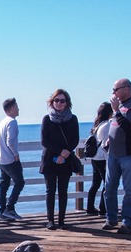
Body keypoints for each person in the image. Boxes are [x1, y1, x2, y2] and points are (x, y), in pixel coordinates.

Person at [102, 78, 131, 235]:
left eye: (116, 89)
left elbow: (127, 127)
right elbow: (116, 126)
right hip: (113, 153)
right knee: (109, 188)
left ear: (126, 89)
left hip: (129, 154)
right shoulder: (120, 105)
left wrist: (115, 111)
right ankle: (111, 218)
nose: (113, 93)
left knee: (129, 190)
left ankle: (127, 222)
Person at [40, 88, 79, 230]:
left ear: (67, 103)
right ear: (52, 102)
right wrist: (59, 152)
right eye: (56, 100)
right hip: (50, 158)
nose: (59, 103)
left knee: (63, 191)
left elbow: (75, 139)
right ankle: (50, 220)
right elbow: (45, 141)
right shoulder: (47, 119)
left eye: (62, 100)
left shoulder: (73, 118)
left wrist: (66, 153)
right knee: (50, 191)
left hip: (66, 159)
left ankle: (62, 220)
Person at [0, 97, 25, 220]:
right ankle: (10, 208)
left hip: (1, 159)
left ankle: (2, 211)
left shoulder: (2, 122)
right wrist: (15, 154)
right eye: (17, 107)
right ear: (12, 108)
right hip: (10, 159)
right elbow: (10, 141)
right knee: (20, 182)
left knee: (4, 185)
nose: (19, 109)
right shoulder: (12, 122)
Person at [86, 102, 112, 216]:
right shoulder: (107, 125)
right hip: (103, 158)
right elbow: (107, 144)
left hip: (95, 158)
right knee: (106, 184)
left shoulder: (97, 125)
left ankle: (90, 207)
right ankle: (103, 209)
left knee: (95, 184)